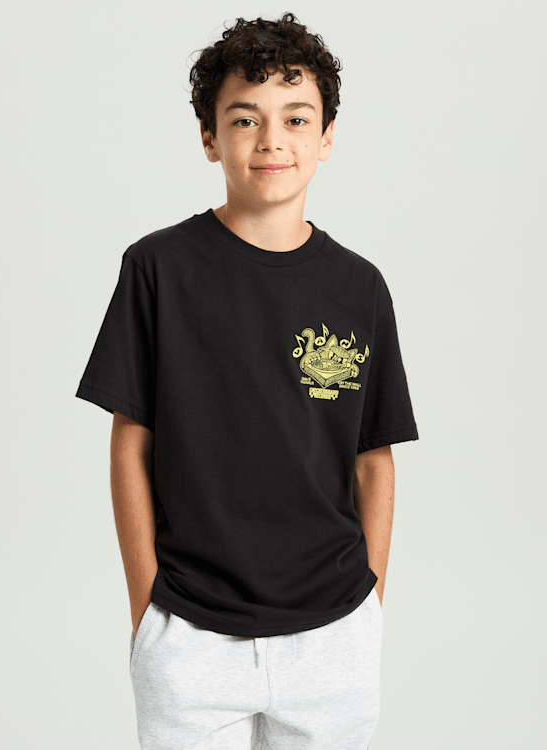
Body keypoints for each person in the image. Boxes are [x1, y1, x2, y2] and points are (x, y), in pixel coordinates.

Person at [75, 12, 419, 750]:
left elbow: (374, 459)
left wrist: (369, 605)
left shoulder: (359, 288)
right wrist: (147, 609)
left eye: (296, 118)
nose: (271, 140)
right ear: (210, 137)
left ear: (326, 137)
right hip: (189, 631)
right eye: (244, 119)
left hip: (334, 633)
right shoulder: (157, 269)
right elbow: (130, 445)